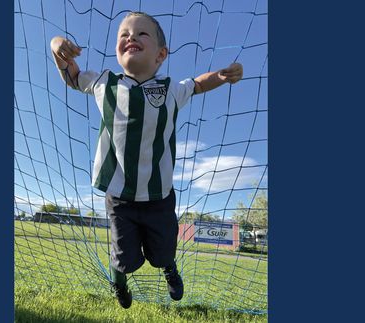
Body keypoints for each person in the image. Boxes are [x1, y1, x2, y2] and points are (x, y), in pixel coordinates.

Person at [50, 11, 243, 309]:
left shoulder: (170, 89)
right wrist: (56, 46)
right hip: (120, 197)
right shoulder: (104, 82)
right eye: (124, 34)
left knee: (163, 253)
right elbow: (72, 76)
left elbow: (198, 84)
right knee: (124, 258)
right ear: (117, 50)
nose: (131, 37)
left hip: (159, 196)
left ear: (161, 54)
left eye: (142, 34)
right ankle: (119, 283)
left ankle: (170, 269)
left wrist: (221, 75)